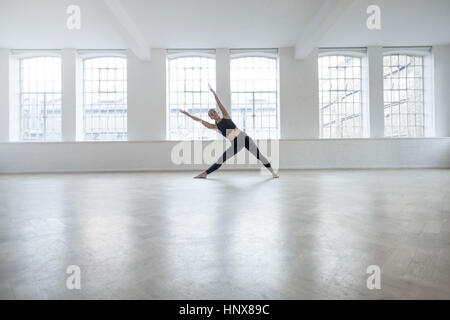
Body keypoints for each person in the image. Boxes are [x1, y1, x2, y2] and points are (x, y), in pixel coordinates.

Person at [180, 85, 279, 179]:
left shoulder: (226, 116)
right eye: (211, 114)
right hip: (235, 144)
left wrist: (214, 93)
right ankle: (205, 174)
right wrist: (188, 115)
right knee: (221, 159)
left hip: (244, 138)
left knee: (259, 155)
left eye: (214, 112)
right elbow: (200, 121)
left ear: (217, 112)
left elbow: (220, 104)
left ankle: (273, 173)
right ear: (210, 117)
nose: (213, 114)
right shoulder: (215, 127)